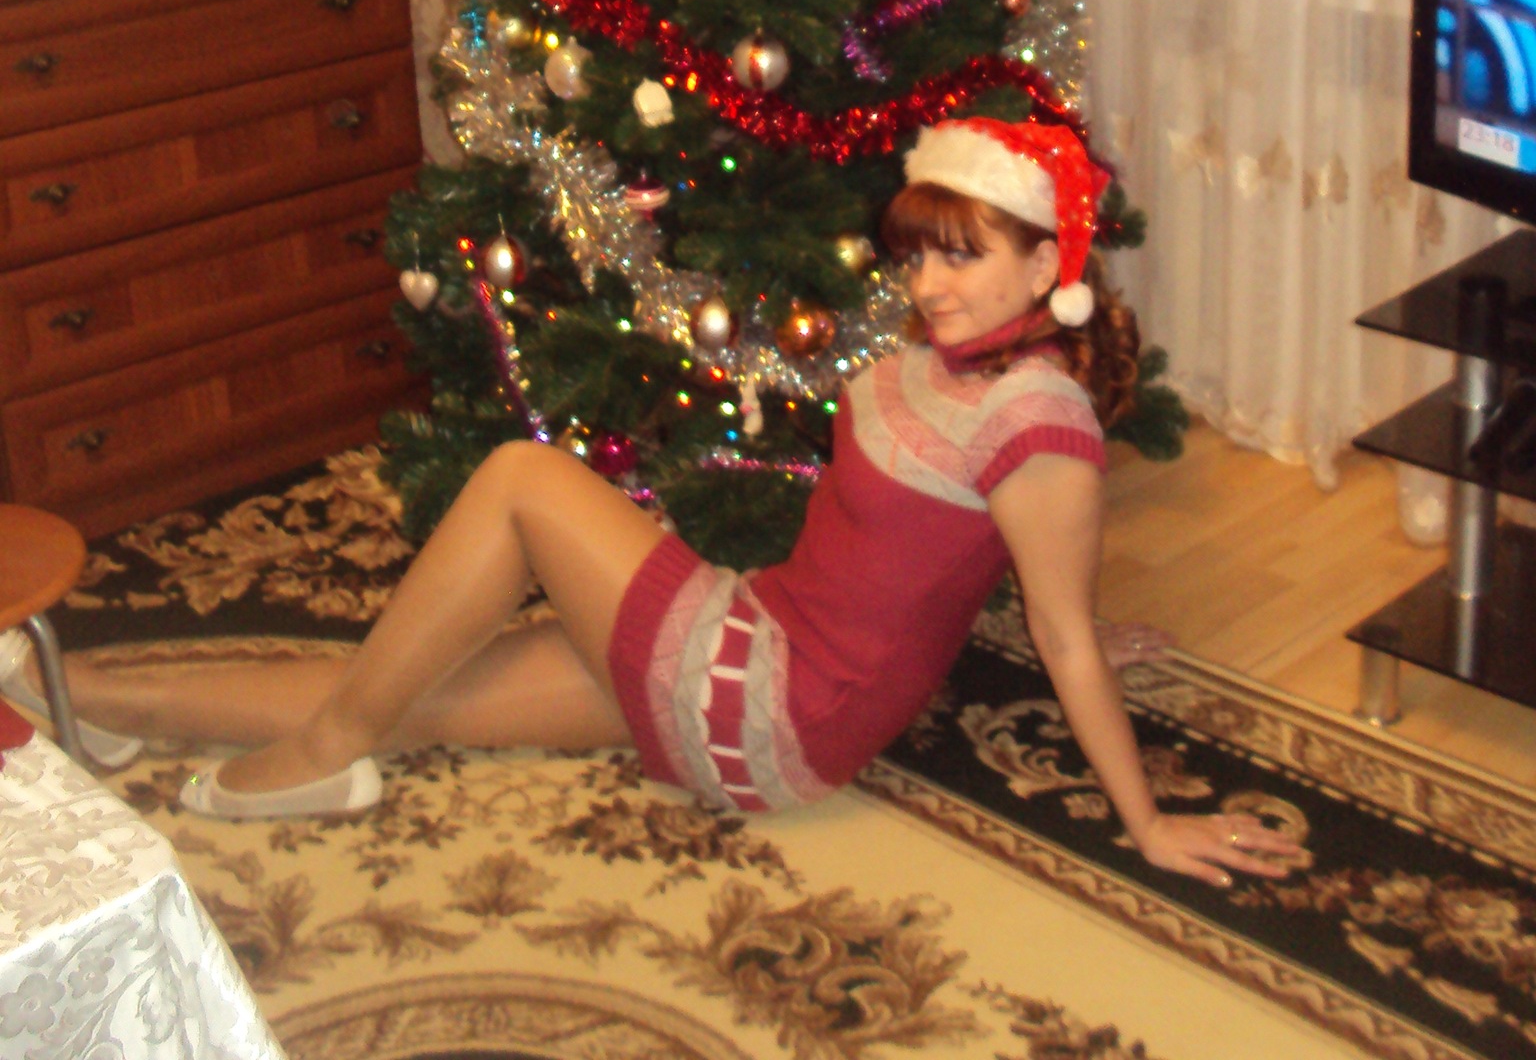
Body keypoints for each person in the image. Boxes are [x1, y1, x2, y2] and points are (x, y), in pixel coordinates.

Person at [0, 116, 1302, 888]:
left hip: (780, 711)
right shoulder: (954, 357)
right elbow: (977, 558)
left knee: (521, 479)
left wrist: (1146, 817)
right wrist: (1075, 620)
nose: (929, 284)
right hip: (754, 631)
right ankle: (81, 698)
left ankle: (323, 756)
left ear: (1046, 259)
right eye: (918, 254)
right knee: (412, 686)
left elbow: (1056, 617)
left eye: (962, 256)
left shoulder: (1041, 415)